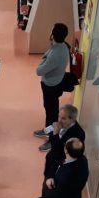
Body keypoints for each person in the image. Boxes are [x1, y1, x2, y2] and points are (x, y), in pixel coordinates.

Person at [30, 104, 86, 198]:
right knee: (46, 185)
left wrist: (55, 134)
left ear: (72, 119)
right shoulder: (61, 126)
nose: (59, 120)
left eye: (63, 118)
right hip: (52, 162)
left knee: (59, 188)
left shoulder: (78, 134)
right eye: (59, 117)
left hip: (61, 165)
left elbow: (59, 152)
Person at [34, 23, 70, 151]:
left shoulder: (55, 54)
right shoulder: (62, 46)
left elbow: (39, 71)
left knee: (51, 113)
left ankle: (52, 140)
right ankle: (48, 130)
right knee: (50, 109)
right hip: (56, 83)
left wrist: (43, 61)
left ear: (53, 35)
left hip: (51, 86)